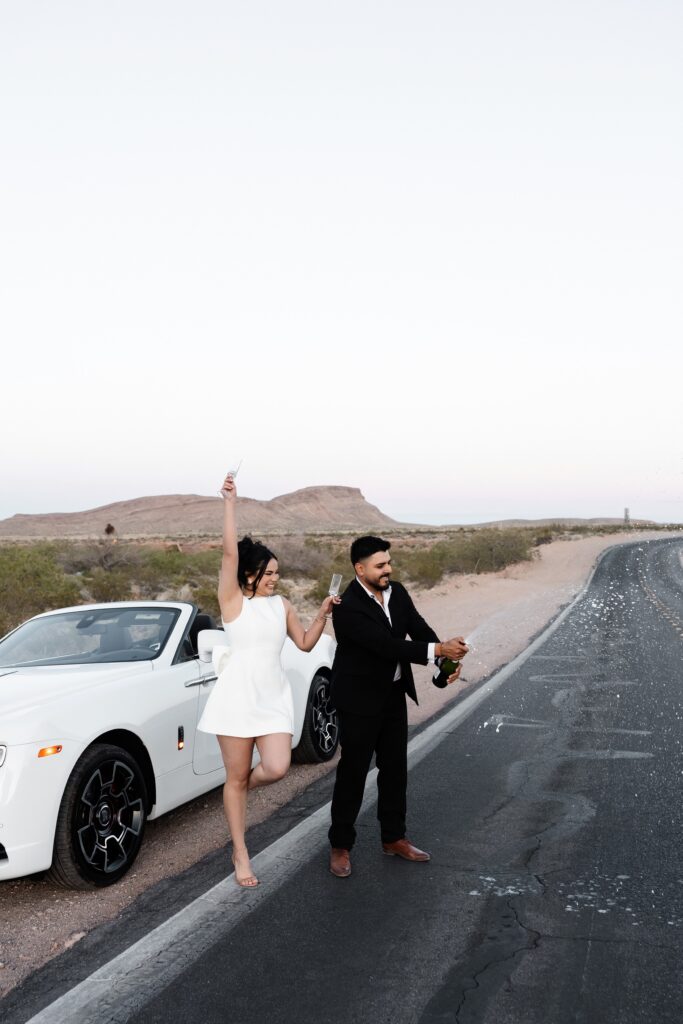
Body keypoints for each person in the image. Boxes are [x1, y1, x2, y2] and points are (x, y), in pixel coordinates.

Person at [198, 473, 340, 888]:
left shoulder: (282, 606)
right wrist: (229, 503)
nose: (276, 578)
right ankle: (240, 852)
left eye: (277, 572)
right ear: (250, 573)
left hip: (273, 696)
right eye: (270, 572)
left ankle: (238, 792)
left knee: (277, 767)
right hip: (237, 698)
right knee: (236, 777)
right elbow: (227, 554)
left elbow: (306, 643)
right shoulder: (233, 602)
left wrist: (323, 612)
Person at [328, 535, 469, 878]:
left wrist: (443, 663)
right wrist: (438, 652)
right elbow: (386, 647)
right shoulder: (346, 607)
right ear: (359, 569)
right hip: (358, 699)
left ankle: (393, 838)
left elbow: (417, 629)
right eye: (380, 565)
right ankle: (341, 845)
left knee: (395, 769)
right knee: (353, 773)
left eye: (389, 562)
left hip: (392, 695)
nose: (388, 569)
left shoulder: (399, 592)